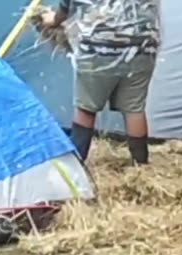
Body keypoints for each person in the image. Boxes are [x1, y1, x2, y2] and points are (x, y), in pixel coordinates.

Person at [40, 0, 160, 166]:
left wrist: (52, 19)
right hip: (143, 47)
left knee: (86, 109)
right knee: (134, 109)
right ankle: (141, 165)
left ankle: (76, 166)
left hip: (99, 48)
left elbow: (65, 9)